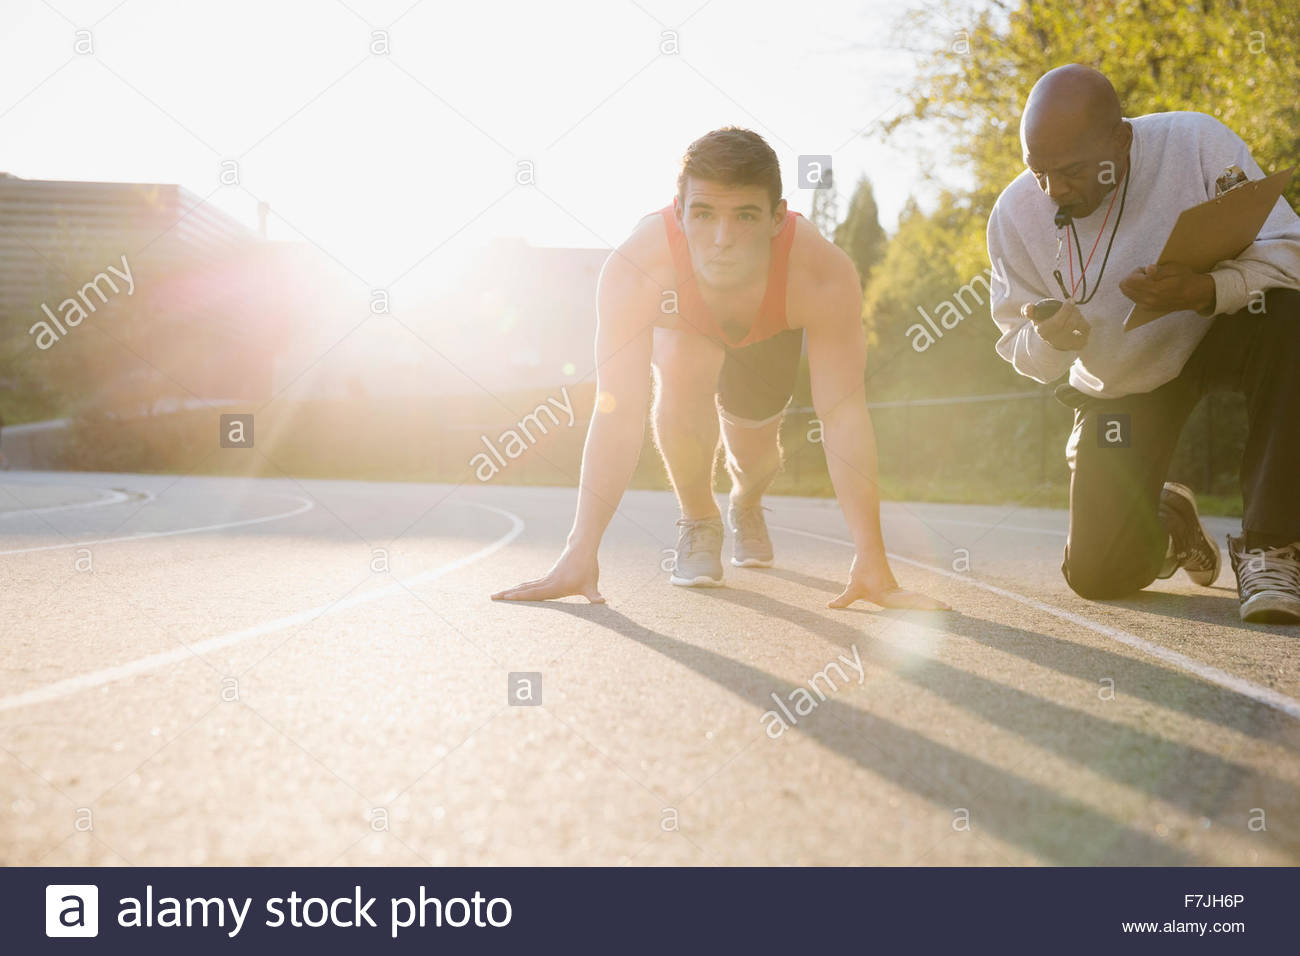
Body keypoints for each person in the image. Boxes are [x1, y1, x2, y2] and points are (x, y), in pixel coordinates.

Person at [492, 127, 948, 611]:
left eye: (745, 216)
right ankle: (699, 520)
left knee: (756, 459)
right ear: (680, 212)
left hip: (769, 333)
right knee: (681, 363)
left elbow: (843, 414)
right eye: (704, 214)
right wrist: (578, 553)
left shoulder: (821, 274)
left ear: (777, 218)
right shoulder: (636, 267)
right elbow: (618, 411)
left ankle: (746, 502)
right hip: (685, 324)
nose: (722, 239)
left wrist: (872, 560)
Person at [987, 64, 1300, 622]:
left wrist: (1207, 289)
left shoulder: (1196, 142)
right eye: (1039, 171)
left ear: (1120, 139)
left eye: (1072, 170)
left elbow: (1289, 253)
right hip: (1121, 384)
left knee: (1291, 313)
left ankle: (1271, 544)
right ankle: (1167, 522)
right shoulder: (1014, 215)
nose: (1053, 189)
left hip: (1220, 329)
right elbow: (1018, 349)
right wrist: (1053, 343)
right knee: (1097, 576)